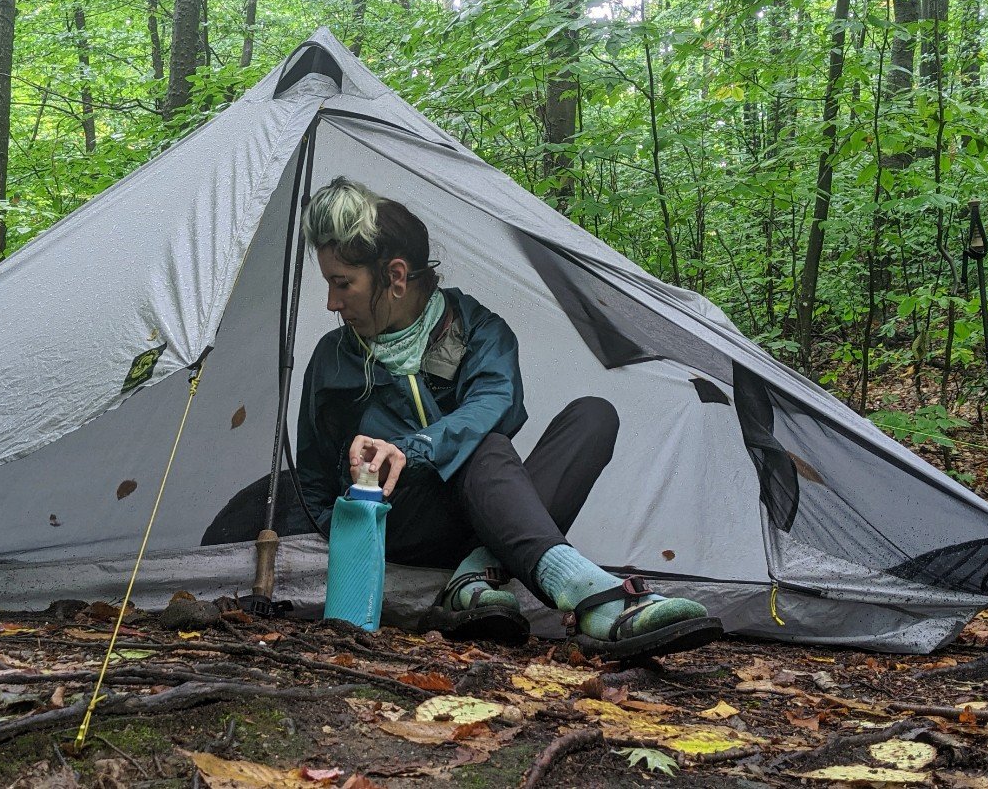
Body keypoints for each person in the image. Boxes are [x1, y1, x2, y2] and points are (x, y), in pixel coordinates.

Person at [293, 177, 722, 659]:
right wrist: (347, 538)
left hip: (489, 511)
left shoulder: (478, 328)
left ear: (394, 277)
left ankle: (475, 576)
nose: (332, 303)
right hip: (400, 524)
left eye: (341, 283)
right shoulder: (333, 357)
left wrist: (412, 449)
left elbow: (495, 404)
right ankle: (590, 595)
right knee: (489, 446)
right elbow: (311, 470)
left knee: (593, 417)